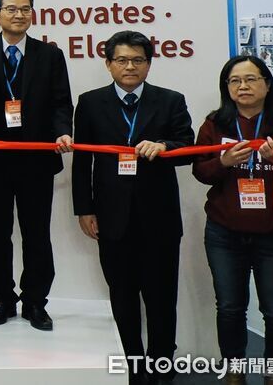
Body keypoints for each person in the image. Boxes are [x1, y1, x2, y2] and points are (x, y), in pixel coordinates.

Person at [73, 30, 194, 384]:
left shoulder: (170, 100)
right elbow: (81, 161)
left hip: (159, 218)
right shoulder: (90, 102)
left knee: (161, 297)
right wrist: (84, 209)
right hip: (111, 217)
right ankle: (133, 365)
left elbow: (186, 145)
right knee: (122, 295)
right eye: (122, 60)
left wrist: (164, 145)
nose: (130, 67)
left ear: (149, 64)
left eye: (138, 60)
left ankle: (162, 364)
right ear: (108, 63)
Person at [0, 0, 73, 331]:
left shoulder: (50, 55)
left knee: (36, 234)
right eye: (12, 9)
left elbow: (61, 103)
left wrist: (63, 132)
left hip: (36, 159)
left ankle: (35, 301)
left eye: (26, 9)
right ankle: (2, 297)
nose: (19, 15)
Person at [192, 55, 273, 385]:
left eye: (250, 79)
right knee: (230, 307)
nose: (242, 86)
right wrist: (223, 162)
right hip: (224, 232)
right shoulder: (214, 124)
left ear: (267, 84)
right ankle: (234, 368)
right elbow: (200, 172)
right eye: (234, 81)